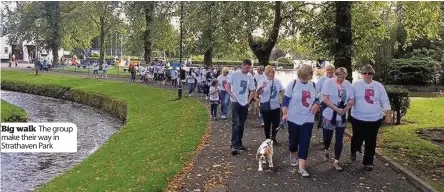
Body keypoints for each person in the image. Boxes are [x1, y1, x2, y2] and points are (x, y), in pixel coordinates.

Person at [350, 64, 393, 171]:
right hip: (358, 118)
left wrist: (388, 114)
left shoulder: (378, 86)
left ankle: (368, 162)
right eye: (364, 73)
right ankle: (354, 150)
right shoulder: (355, 85)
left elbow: (384, 100)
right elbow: (350, 99)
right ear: (361, 74)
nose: (367, 75)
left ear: (373, 74)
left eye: (369, 73)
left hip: (374, 118)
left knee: (371, 140)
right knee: (357, 138)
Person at [281, 64, 320, 177]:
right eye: (310, 73)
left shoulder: (313, 85)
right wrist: (284, 114)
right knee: (293, 142)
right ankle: (293, 154)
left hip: (308, 119)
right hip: (293, 119)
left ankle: (301, 167)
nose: (311, 75)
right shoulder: (293, 84)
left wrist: (316, 105)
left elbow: (317, 99)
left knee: (305, 142)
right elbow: (285, 102)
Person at [320, 67, 354, 171]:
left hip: (342, 115)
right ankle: (326, 148)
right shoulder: (329, 83)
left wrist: (345, 109)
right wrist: (336, 108)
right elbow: (324, 99)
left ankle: (336, 161)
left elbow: (352, 99)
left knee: (339, 139)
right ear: (336, 75)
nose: (341, 78)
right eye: (339, 76)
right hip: (329, 114)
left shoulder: (348, 84)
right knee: (327, 137)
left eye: (343, 76)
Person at [226, 59, 256, 156]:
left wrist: (248, 100)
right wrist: (232, 96)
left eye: (249, 68)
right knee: (236, 122)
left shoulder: (250, 76)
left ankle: (239, 142)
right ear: (242, 66)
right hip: (235, 102)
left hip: (244, 102)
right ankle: (234, 145)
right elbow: (227, 86)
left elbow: (253, 89)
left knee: (242, 123)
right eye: (246, 67)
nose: (248, 69)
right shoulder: (234, 74)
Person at [256, 65, 284, 145]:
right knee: (267, 124)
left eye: (274, 72)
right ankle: (268, 139)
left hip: (276, 106)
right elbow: (258, 93)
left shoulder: (277, 81)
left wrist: (284, 101)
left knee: (276, 123)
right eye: (272, 72)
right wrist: (261, 87)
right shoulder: (262, 81)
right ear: (267, 73)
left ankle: (274, 137)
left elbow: (281, 91)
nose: (274, 73)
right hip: (266, 106)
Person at [316, 65, 336, 129]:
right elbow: (316, 90)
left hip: (334, 103)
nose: (330, 71)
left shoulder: (336, 79)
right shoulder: (322, 79)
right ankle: (326, 136)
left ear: (334, 70)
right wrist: (317, 102)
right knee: (325, 121)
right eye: (328, 70)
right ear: (326, 70)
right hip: (324, 103)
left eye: (331, 69)